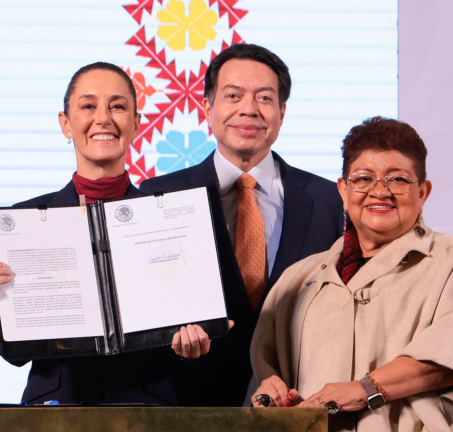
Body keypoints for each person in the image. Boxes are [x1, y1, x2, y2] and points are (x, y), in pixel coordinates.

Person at [0, 62, 225, 405]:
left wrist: (193, 344)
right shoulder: (24, 223)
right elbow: (16, 356)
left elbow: (192, 337)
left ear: (136, 124)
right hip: (55, 413)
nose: (104, 118)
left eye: (118, 106)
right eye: (88, 106)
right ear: (65, 123)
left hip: (149, 412)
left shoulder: (170, 220)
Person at [250, 117, 453, 431]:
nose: (380, 191)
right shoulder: (298, 279)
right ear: (344, 191)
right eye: (363, 179)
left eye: (398, 180)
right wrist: (272, 393)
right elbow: (268, 371)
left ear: (423, 194)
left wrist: (363, 389)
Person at [140, 43, 344, 406]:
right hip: (183, 406)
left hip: (296, 405)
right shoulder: (158, 195)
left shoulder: (329, 200)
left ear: (282, 112)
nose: (248, 109)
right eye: (233, 95)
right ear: (208, 107)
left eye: (264, 98)